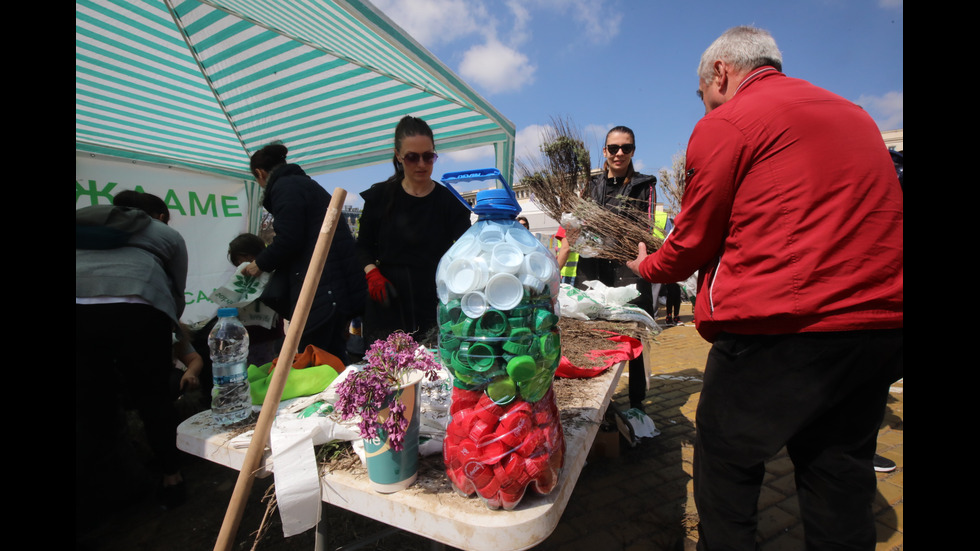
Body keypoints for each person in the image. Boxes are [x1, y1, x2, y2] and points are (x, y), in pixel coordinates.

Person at [626, 26, 903, 550]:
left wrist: (647, 267)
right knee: (838, 472)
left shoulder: (730, 121)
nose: (705, 107)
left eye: (703, 95)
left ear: (721, 74)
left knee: (727, 464)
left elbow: (692, 240)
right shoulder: (855, 114)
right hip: (878, 329)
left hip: (782, 329)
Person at [76, 190, 189, 511]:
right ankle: (172, 476)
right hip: (137, 308)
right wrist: (170, 330)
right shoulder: (165, 233)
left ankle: (102, 487)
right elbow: (175, 293)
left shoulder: (86, 224)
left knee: (89, 401)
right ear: (161, 215)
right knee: (152, 397)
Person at [242, 143, 366, 364]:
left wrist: (258, 264)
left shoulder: (285, 188)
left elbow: (289, 238)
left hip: (323, 289)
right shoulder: (305, 185)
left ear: (260, 174)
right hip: (336, 287)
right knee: (332, 358)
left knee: (315, 360)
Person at [355, 115, 471, 346]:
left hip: (435, 302)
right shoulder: (379, 197)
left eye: (428, 157)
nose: (421, 164)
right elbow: (362, 247)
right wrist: (372, 274)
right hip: (388, 301)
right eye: (412, 157)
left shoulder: (450, 203)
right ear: (398, 155)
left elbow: (467, 251)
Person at [574, 126, 658, 427]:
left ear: (633, 150)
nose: (619, 153)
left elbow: (642, 228)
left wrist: (605, 231)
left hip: (627, 269)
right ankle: (597, 400)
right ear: (605, 151)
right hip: (593, 267)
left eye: (626, 148)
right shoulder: (591, 184)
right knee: (593, 332)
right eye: (613, 148)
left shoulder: (644, 184)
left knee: (633, 334)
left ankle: (637, 403)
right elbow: (581, 224)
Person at [227, 233, 285, 366]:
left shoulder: (270, 274)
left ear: (250, 256)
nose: (239, 265)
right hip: (252, 339)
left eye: (239, 260)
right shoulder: (243, 276)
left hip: (267, 337)